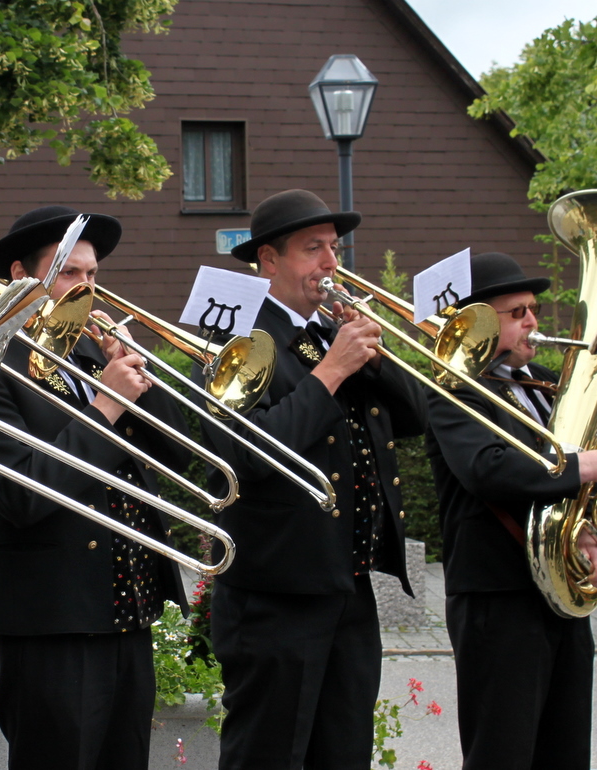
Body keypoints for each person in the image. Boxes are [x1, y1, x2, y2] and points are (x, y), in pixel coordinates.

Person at [201, 189, 428, 770]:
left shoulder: (330, 333)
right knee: (268, 755)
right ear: (269, 260)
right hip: (275, 594)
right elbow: (247, 454)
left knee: (344, 751)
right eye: (313, 249)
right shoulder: (237, 339)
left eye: (334, 248)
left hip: (344, 585)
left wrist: (375, 359)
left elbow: (414, 418)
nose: (330, 262)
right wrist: (331, 371)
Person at [0, 205, 190, 770]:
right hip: (53, 622)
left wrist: (138, 371)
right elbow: (20, 495)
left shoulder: (90, 353)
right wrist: (106, 406)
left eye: (92, 274)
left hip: (127, 613)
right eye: (69, 273)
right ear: (21, 276)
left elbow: (177, 454)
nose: (86, 287)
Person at [425, 251, 597, 769]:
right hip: (498, 597)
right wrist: (588, 465)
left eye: (533, 309)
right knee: (503, 754)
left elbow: (561, 488)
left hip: (557, 594)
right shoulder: (454, 389)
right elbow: (487, 468)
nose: (533, 322)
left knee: (566, 752)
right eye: (518, 313)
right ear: (480, 322)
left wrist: (589, 539)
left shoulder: (542, 381)